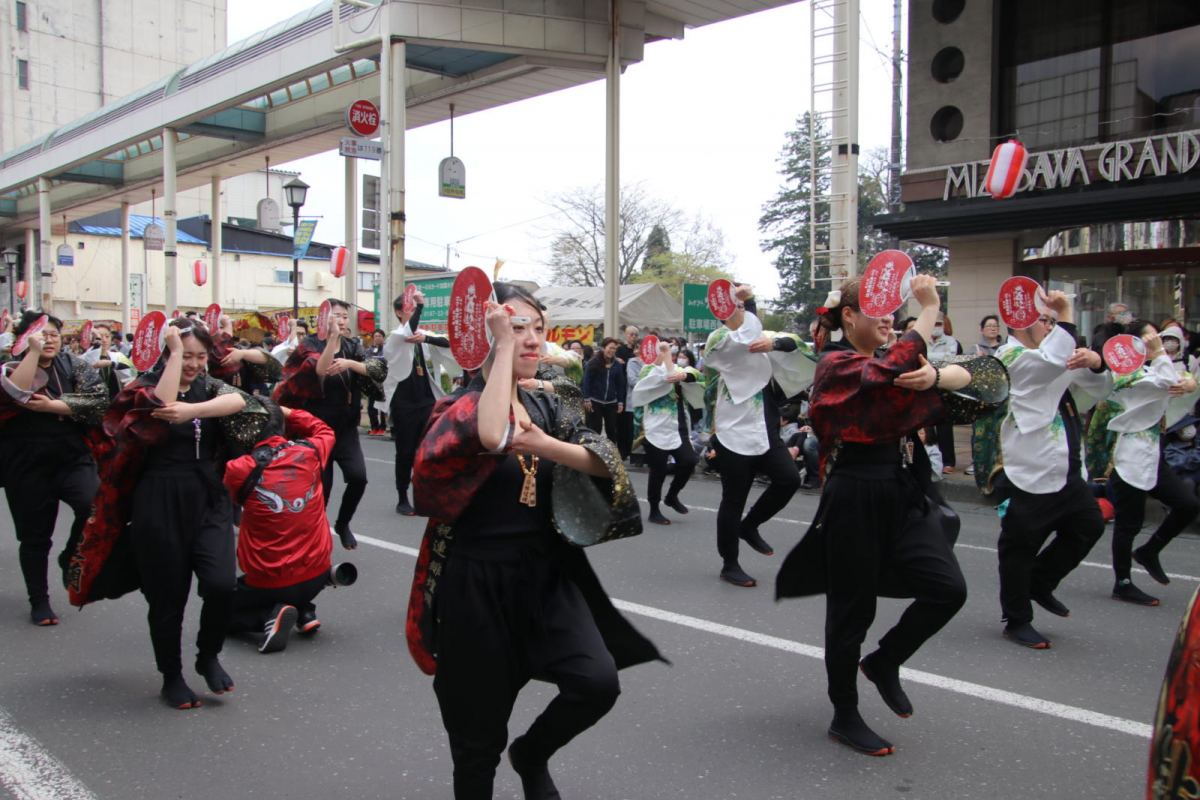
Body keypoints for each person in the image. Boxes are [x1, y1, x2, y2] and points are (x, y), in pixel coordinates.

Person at [406, 282, 662, 800]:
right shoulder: (456, 408)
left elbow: (606, 460)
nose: (530, 340)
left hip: (546, 576)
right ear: (485, 338)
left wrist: (547, 445)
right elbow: (488, 434)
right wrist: (500, 353)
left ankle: (532, 753)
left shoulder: (552, 402)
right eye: (515, 327)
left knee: (597, 682)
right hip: (475, 583)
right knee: (477, 741)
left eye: (538, 329)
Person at [776, 274, 1005, 756]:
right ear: (849, 317)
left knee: (948, 589)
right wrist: (929, 308)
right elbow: (885, 375)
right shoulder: (835, 363)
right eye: (876, 308)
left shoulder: (895, 362)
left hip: (902, 488)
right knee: (851, 611)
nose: (887, 317)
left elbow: (984, 384)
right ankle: (845, 713)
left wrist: (939, 376)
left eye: (892, 308)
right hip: (854, 492)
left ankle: (885, 661)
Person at [65, 318, 273, 709]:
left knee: (221, 583)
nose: (194, 364)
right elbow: (155, 411)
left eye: (199, 356)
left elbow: (243, 403)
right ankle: (171, 676)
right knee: (167, 598)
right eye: (185, 355)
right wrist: (174, 355)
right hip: (158, 499)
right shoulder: (142, 388)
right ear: (166, 354)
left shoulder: (207, 388)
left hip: (207, 495)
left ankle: (207, 654)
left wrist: (193, 408)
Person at [990, 291, 1111, 648]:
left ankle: (1040, 582)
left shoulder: (1053, 353)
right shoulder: (1009, 354)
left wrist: (1095, 363)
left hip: (1068, 468)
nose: (1051, 326)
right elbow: (1046, 365)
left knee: (1088, 525)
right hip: (1029, 470)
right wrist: (1068, 317)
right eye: (1048, 320)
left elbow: (1100, 388)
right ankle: (1016, 618)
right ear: (1026, 321)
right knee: (1019, 547)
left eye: (1053, 321)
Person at [701, 286, 816, 587]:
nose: (740, 311)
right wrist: (754, 324)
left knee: (789, 479)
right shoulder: (719, 338)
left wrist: (774, 342)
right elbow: (737, 341)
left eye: (743, 306)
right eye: (735, 307)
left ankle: (750, 525)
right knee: (733, 499)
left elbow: (796, 344)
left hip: (765, 428)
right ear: (724, 311)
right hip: (733, 429)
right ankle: (730, 563)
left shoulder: (763, 334)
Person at [0, 310, 106, 625]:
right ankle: (39, 600)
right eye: (40, 334)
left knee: (92, 504)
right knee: (35, 538)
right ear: (23, 338)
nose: (48, 340)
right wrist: (31, 353)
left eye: (54, 335)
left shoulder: (75, 366)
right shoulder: (9, 368)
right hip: (26, 463)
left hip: (72, 457)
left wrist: (54, 406)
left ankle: (71, 553)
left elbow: (97, 403)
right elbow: (14, 395)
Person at [223, 398, 342, 653]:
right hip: (317, 571)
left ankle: (269, 616)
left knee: (218, 612)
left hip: (267, 582)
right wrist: (283, 411)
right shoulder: (311, 451)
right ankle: (304, 611)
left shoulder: (239, 468)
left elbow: (233, 498)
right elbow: (323, 429)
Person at [1100, 321, 1200, 606]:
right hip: (1128, 457)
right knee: (1129, 524)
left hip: (1154, 456)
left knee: (1188, 504)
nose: (1155, 340)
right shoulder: (1123, 372)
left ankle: (1150, 550)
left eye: (1154, 334)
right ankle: (1123, 582)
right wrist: (1161, 357)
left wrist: (1189, 382)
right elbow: (1168, 381)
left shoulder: (1156, 367)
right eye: (1147, 336)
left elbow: (1184, 380)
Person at [274, 300, 386, 549]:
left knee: (358, 478)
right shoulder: (310, 344)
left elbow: (378, 369)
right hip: (315, 429)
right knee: (321, 490)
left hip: (346, 427)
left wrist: (350, 364)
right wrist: (332, 342)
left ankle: (343, 522)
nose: (342, 321)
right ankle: (315, 537)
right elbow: (320, 369)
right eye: (336, 316)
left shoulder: (353, 345)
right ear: (324, 318)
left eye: (345, 316)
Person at [383, 290, 453, 516]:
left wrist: (428, 338)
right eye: (409, 309)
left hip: (426, 401)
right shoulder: (394, 337)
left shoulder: (421, 335)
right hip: (403, 403)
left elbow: (446, 343)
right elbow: (409, 330)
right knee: (405, 452)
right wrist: (420, 305)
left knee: (429, 450)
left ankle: (426, 493)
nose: (413, 313)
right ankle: (402, 496)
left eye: (414, 309)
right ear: (398, 312)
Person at [632, 340, 703, 524]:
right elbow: (666, 376)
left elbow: (695, 374)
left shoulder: (677, 369)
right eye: (661, 352)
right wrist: (673, 369)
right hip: (655, 427)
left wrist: (683, 376)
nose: (665, 355)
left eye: (667, 352)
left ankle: (672, 495)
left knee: (689, 461)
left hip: (677, 426)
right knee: (658, 470)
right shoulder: (647, 371)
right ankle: (654, 510)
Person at [929, 313, 962, 474]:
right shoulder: (923, 339)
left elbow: (949, 360)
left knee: (944, 426)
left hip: (944, 386)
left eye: (939, 323)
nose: (935, 326)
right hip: (926, 386)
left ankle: (948, 461)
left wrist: (929, 358)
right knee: (927, 427)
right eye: (933, 322)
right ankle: (931, 460)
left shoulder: (951, 342)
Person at [582, 338, 626, 447]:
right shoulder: (594, 362)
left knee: (611, 430)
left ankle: (612, 455)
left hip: (611, 402)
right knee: (595, 429)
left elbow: (620, 384)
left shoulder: (617, 364)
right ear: (603, 348)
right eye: (610, 348)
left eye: (614, 349)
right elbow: (586, 381)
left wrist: (620, 401)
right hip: (595, 400)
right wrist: (586, 398)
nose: (612, 351)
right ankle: (594, 452)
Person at [83, 323, 137, 397]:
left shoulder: (117, 355)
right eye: (100, 337)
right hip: (94, 398)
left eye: (107, 336)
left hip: (114, 397)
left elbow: (132, 371)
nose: (104, 340)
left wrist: (111, 363)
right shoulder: (86, 357)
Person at [365, 329, 388, 434]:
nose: (378, 338)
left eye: (379, 336)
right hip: (372, 381)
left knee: (382, 405)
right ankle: (374, 426)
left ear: (383, 337)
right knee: (371, 406)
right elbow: (366, 363)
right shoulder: (370, 351)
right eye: (376, 336)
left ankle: (383, 427)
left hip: (384, 381)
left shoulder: (387, 350)